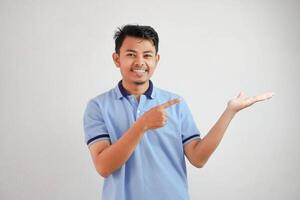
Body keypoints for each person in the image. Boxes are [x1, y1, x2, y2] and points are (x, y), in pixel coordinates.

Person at [83, 24, 273, 200]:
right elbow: (104, 166)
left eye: (147, 55)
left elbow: (198, 158)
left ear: (156, 60)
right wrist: (142, 125)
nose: (140, 62)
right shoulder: (98, 106)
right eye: (131, 54)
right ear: (117, 59)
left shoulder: (175, 103)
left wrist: (230, 112)